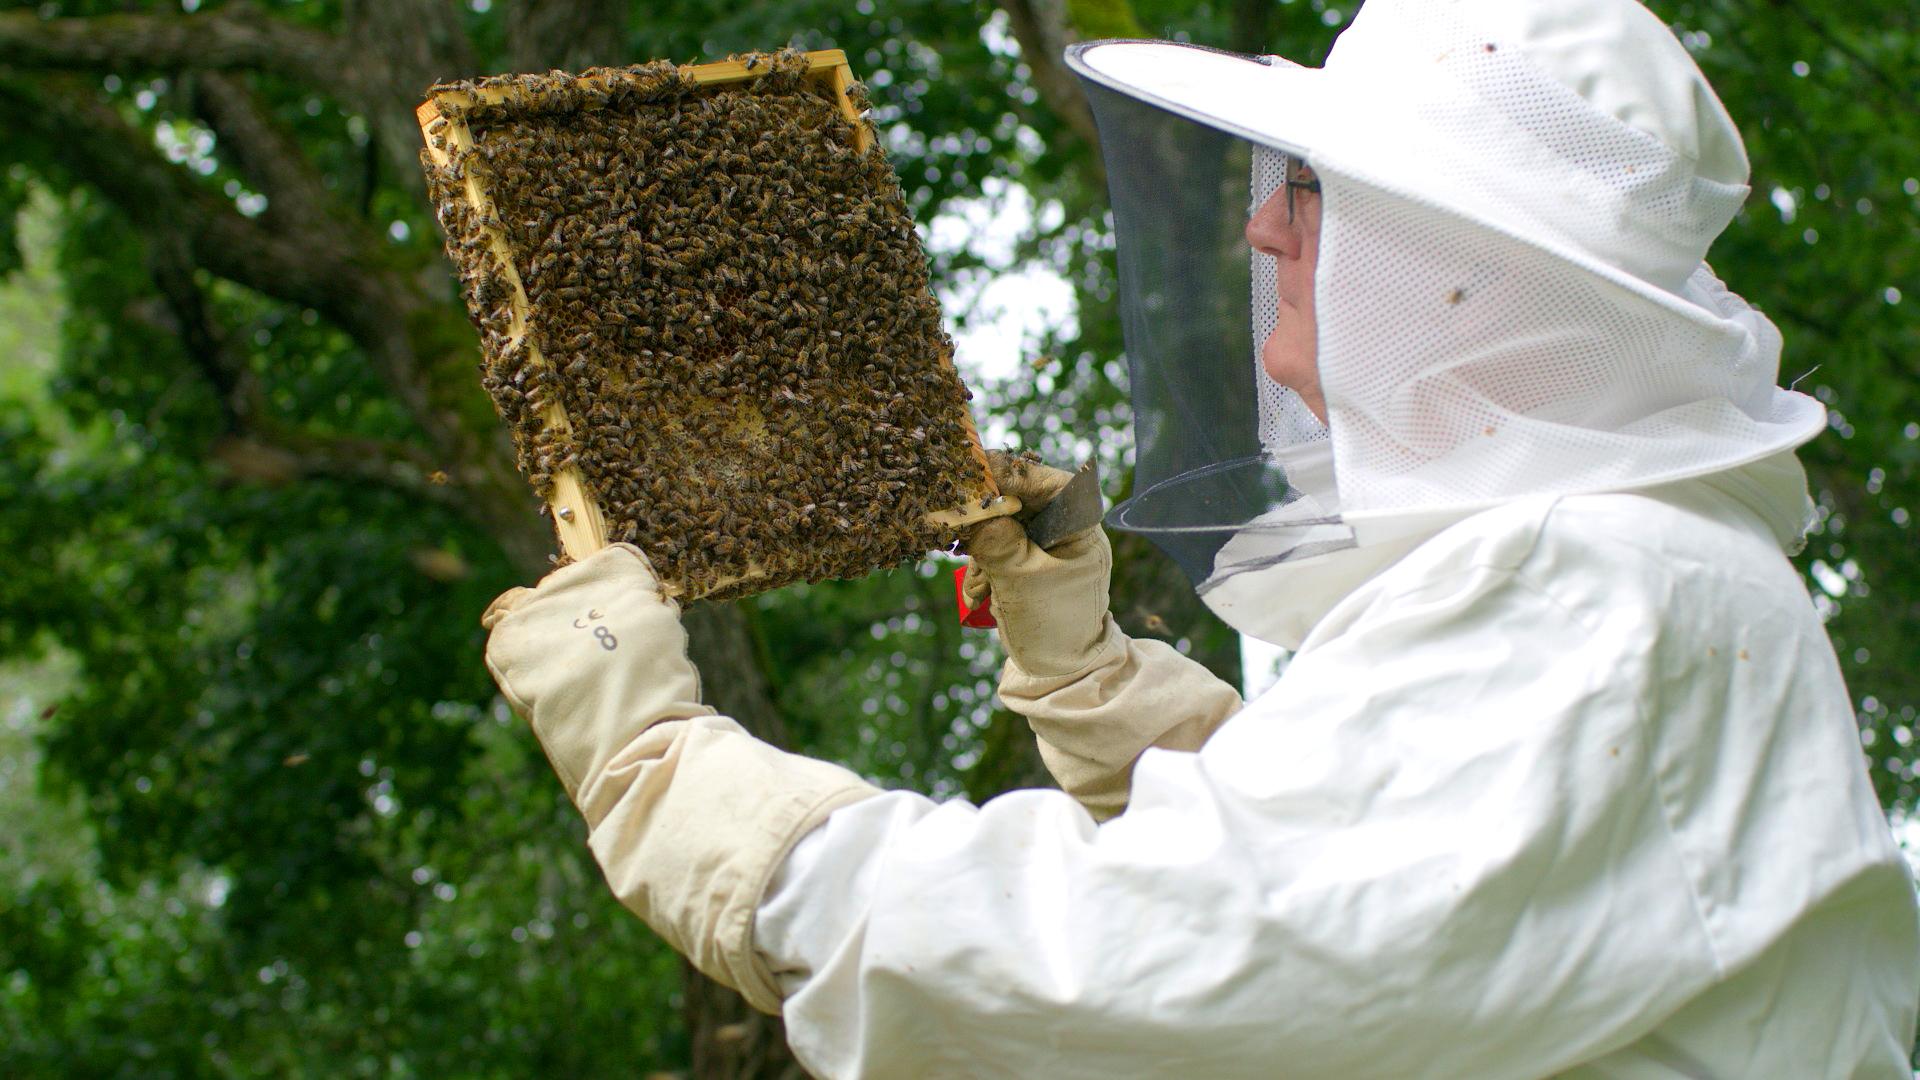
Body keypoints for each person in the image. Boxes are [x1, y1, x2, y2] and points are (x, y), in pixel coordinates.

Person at [479, 0, 1920, 1075]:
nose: (1264, 236)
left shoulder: (1598, 581)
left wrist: (666, 778)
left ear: (1469, 273)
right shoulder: (1613, 575)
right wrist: (1100, 687)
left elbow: (1167, 972)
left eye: (1315, 194)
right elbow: (1385, 880)